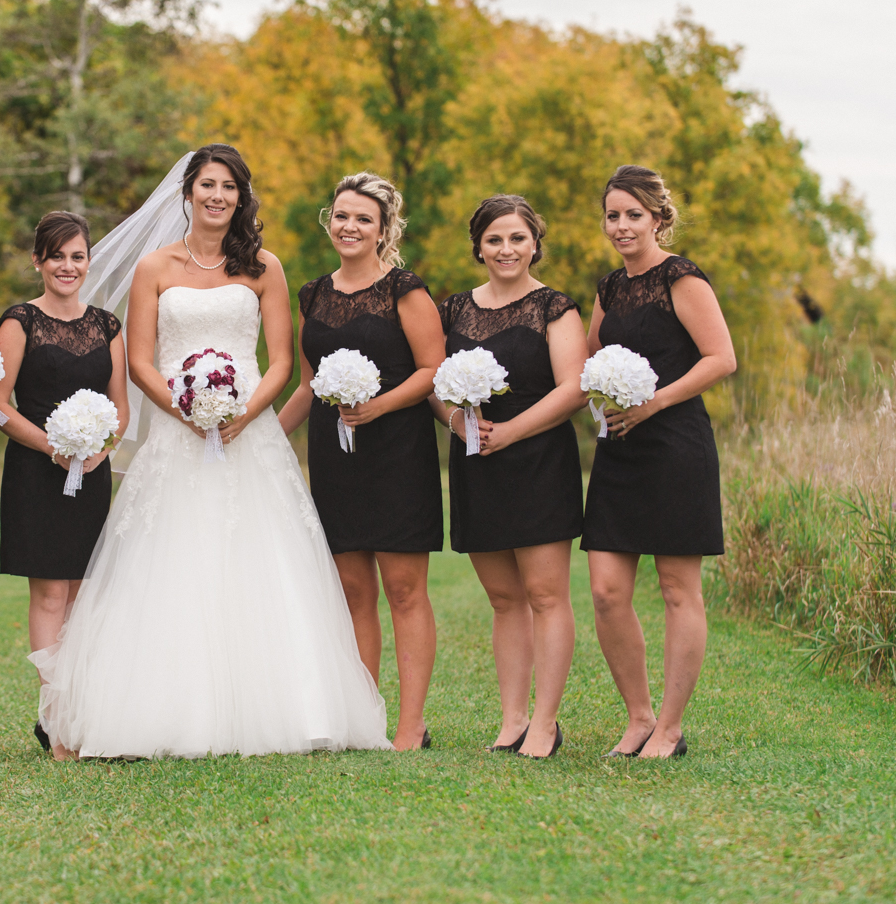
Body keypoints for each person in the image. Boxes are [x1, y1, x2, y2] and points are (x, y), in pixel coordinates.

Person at [31, 144, 390, 759]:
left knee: (261, 562)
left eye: (229, 186)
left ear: (242, 197)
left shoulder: (263, 268)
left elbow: (281, 362)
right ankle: (151, 714)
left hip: (249, 433)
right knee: (169, 561)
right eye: (207, 185)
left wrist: (243, 414)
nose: (218, 196)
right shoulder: (155, 267)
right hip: (177, 433)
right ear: (188, 193)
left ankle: (287, 709)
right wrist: (183, 410)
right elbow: (139, 359)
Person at [278, 174, 445, 751]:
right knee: (351, 589)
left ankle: (410, 723)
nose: (349, 227)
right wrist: (264, 440)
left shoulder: (405, 289)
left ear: (383, 229)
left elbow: (431, 371)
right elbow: (305, 385)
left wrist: (378, 408)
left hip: (398, 450)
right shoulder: (312, 296)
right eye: (341, 216)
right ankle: (362, 717)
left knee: (404, 588)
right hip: (334, 454)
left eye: (363, 219)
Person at [582, 165, 737, 760]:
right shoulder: (609, 288)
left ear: (658, 218)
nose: (621, 226)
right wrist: (604, 395)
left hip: (675, 445)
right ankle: (639, 715)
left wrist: (654, 402)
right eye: (613, 215)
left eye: (633, 215)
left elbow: (721, 358)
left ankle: (670, 728)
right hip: (619, 447)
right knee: (605, 590)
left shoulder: (683, 278)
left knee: (677, 588)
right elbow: (595, 355)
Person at [430, 195, 587, 759]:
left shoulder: (555, 307)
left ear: (534, 243)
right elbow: (431, 380)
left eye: (517, 238)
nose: (506, 249)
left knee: (545, 595)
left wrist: (513, 431)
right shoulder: (450, 311)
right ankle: (512, 717)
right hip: (476, 462)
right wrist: (453, 419)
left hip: (539, 457)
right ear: (478, 246)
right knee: (502, 598)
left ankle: (545, 722)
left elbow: (574, 386)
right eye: (494, 239)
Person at [0, 212, 129, 753]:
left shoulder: (107, 325)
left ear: (89, 262)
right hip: (36, 472)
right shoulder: (19, 321)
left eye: (77, 257)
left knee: (85, 596)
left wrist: (102, 449)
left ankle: (85, 712)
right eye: (57, 256)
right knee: (49, 596)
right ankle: (57, 723)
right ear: (38, 261)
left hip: (92, 475)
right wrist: (53, 445)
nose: (67, 267)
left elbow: (120, 406)